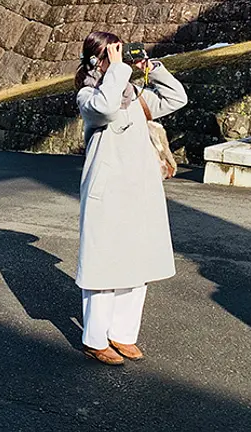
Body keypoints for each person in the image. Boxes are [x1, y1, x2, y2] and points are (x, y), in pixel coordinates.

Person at [74, 31, 188, 365]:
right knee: (104, 267)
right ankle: (95, 339)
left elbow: (176, 98)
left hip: (140, 189)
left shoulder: (134, 93)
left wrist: (148, 67)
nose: (119, 58)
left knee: (136, 263)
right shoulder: (88, 96)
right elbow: (107, 110)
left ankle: (122, 334)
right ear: (98, 59)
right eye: (113, 53)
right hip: (107, 193)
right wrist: (117, 70)